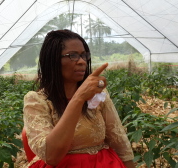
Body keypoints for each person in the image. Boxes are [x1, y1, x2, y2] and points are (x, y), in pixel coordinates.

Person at [23, 29, 135, 168]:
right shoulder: (37, 101)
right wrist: (79, 97)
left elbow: (117, 137)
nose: (82, 62)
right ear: (53, 60)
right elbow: (51, 156)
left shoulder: (97, 93)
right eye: (73, 56)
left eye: (84, 55)